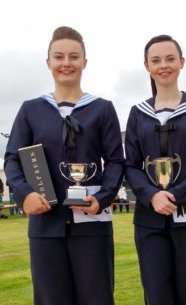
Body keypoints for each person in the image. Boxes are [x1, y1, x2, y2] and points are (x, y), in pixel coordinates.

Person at [3, 26, 124, 304]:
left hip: (93, 224)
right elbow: (13, 159)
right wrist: (25, 194)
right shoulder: (30, 109)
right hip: (46, 226)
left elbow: (116, 161)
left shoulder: (102, 108)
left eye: (73, 56)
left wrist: (102, 198)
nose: (66, 63)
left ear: (85, 62)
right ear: (48, 62)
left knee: (97, 298)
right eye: (59, 57)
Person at [125, 34, 186, 305]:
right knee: (156, 294)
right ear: (147, 66)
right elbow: (131, 164)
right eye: (156, 60)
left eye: (170, 58)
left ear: (181, 62)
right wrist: (151, 195)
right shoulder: (137, 113)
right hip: (149, 219)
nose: (163, 65)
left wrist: (176, 194)